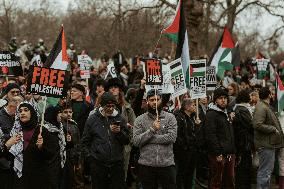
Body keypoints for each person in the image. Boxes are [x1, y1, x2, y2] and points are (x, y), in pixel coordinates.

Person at [81, 92, 130, 189]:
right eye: (108, 106)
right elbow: (84, 142)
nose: (111, 108)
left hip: (116, 164)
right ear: (101, 105)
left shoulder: (120, 118)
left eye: (113, 106)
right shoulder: (92, 119)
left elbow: (127, 140)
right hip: (98, 164)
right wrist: (90, 158)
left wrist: (119, 132)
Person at [6, 102, 59, 189]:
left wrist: (41, 147)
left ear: (33, 113)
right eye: (20, 111)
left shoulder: (42, 131)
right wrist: (7, 145)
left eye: (26, 110)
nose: (22, 113)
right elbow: (8, 157)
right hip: (18, 179)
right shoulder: (15, 132)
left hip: (37, 179)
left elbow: (51, 154)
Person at [133, 89, 177, 189]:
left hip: (166, 164)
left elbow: (171, 138)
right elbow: (136, 141)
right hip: (146, 165)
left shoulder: (170, 118)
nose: (155, 102)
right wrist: (152, 130)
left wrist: (149, 139)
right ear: (147, 101)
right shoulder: (139, 119)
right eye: (152, 100)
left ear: (161, 100)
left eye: (157, 99)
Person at [252, 87, 284, 189]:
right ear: (269, 95)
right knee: (265, 172)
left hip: (268, 144)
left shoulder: (265, 106)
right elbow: (257, 124)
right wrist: (273, 129)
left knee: (266, 172)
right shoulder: (262, 107)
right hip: (265, 145)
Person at [204, 87, 236, 189]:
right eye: (220, 98)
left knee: (229, 180)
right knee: (217, 181)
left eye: (225, 98)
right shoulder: (211, 114)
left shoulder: (226, 113)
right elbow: (211, 135)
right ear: (215, 100)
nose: (223, 100)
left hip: (229, 153)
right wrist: (217, 152)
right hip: (218, 154)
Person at [174, 98, 202, 189]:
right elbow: (177, 135)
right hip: (184, 152)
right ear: (187, 107)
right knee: (182, 174)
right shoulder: (179, 117)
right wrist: (184, 147)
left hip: (192, 150)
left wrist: (197, 125)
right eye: (193, 105)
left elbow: (194, 133)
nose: (195, 107)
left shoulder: (192, 118)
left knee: (190, 174)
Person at [0, 96, 23, 189]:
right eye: (19, 111)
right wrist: (9, 140)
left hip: (13, 163)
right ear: (11, 106)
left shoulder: (16, 118)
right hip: (3, 164)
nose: (21, 114)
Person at [233, 90, 254, 189]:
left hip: (242, 142)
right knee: (244, 168)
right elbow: (251, 125)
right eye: (249, 95)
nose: (251, 97)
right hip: (244, 142)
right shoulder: (243, 109)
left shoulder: (238, 108)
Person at [44, 105, 66, 189]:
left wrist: (69, 140)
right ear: (52, 115)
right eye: (58, 113)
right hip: (50, 166)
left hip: (60, 164)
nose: (61, 115)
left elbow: (66, 145)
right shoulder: (45, 130)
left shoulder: (60, 127)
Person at [60, 104, 81, 189]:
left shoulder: (74, 125)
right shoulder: (59, 125)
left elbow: (78, 144)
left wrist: (78, 160)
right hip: (63, 158)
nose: (68, 114)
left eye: (70, 112)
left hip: (73, 157)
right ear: (61, 113)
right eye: (65, 112)